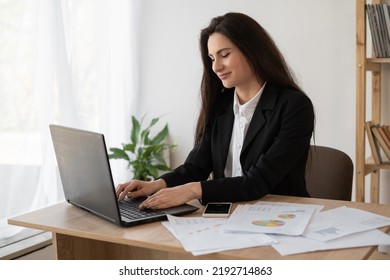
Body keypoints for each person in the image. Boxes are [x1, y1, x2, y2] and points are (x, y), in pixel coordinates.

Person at [116, 12, 315, 210]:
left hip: (280, 217)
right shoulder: (221, 104)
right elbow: (197, 166)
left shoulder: (295, 106)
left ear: (252, 50)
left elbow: (258, 181)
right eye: (212, 58)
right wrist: (155, 185)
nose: (216, 67)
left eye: (225, 54)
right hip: (226, 214)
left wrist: (192, 190)